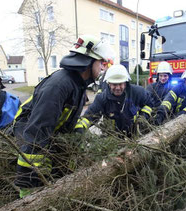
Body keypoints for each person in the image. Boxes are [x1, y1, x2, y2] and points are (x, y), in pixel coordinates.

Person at [13, 35, 113, 197]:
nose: (103, 68)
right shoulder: (60, 85)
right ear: (88, 60)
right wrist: (28, 182)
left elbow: (65, 125)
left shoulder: (78, 85)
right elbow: (37, 130)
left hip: (48, 137)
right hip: (26, 137)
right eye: (101, 63)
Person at [74, 64, 153, 137]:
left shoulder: (138, 92)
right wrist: (80, 129)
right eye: (114, 84)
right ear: (109, 83)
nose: (118, 88)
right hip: (111, 138)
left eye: (120, 84)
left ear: (125, 83)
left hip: (134, 136)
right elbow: (89, 117)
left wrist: (143, 117)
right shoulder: (102, 98)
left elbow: (150, 104)